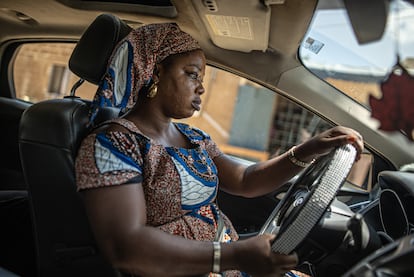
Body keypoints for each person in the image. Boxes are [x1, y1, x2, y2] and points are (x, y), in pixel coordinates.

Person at [75, 22, 364, 277]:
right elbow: (126, 247)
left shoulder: (193, 136)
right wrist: (233, 256)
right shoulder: (114, 144)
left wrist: (308, 150)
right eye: (191, 75)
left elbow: (245, 180)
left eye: (201, 80)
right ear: (156, 72)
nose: (201, 89)